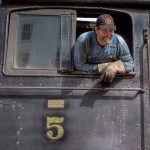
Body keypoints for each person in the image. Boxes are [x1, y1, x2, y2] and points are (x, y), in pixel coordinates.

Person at [73, 14, 134, 83]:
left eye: (111, 31)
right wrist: (102, 67)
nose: (108, 35)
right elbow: (79, 65)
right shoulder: (84, 41)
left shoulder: (119, 42)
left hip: (111, 83)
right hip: (87, 82)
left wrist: (116, 67)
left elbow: (130, 64)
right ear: (96, 29)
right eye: (105, 31)